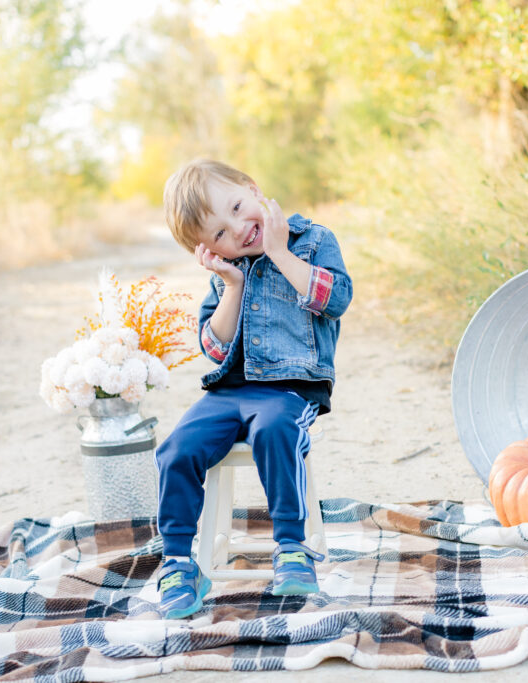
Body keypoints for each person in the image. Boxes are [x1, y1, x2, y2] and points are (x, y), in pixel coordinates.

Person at [154, 158, 353, 618]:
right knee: (175, 450)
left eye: (240, 207)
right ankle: (179, 562)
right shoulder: (228, 271)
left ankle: (291, 548)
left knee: (274, 431)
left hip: (291, 390)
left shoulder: (312, 240)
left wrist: (281, 253)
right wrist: (232, 287)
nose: (239, 230)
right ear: (210, 250)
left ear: (252, 187)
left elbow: (335, 299)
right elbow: (214, 346)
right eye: (220, 234)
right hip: (229, 392)